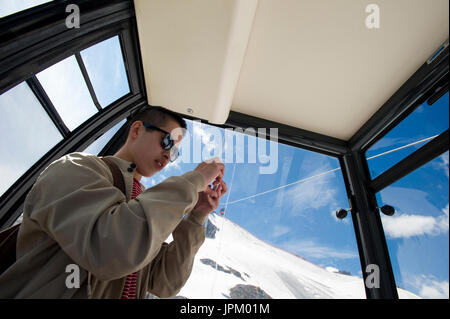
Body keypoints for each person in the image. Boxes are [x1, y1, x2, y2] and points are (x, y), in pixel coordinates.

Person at [0, 105, 227, 298]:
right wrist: (195, 179)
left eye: (175, 152)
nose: (169, 155)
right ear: (137, 130)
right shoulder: (77, 167)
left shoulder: (146, 206)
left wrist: (197, 215)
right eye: (167, 142)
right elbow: (110, 248)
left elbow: (166, 282)